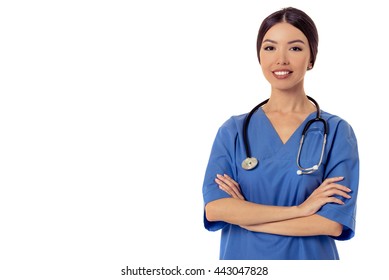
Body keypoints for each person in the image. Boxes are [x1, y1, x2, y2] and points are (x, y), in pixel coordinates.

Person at [202, 7, 359, 260]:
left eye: (295, 48)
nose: (281, 59)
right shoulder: (232, 131)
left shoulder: (337, 132)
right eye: (270, 48)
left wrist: (246, 218)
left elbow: (330, 224)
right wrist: (302, 209)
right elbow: (216, 209)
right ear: (259, 56)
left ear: (311, 58)